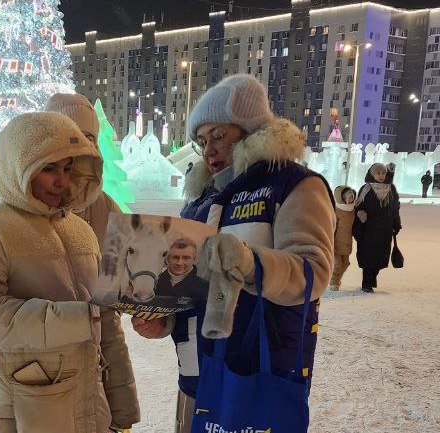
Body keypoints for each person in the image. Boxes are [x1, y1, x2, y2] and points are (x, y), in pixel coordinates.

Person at [132, 74, 335, 432]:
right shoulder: (201, 200)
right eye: (201, 141)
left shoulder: (295, 184)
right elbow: (190, 286)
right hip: (196, 374)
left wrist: (249, 263)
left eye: (218, 136)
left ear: (250, 130)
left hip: (253, 373)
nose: (209, 150)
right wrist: (163, 321)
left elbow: (313, 272)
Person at [0, 112, 128, 433]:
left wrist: (122, 404)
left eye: (68, 168)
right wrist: (75, 319)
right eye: (48, 168)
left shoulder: (81, 230)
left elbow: (104, 321)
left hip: (86, 404)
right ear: (17, 165)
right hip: (17, 408)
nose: (62, 181)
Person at [44, 92, 140, 432]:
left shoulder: (107, 210)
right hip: (38, 376)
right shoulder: (15, 207)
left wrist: (122, 408)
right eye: (65, 137)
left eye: (86, 138)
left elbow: (112, 303)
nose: (76, 151)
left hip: (95, 364)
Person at [353, 163, 402, 293]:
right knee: (368, 257)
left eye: (383, 173)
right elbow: (358, 206)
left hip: (385, 229)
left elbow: (395, 208)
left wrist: (396, 224)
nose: (381, 175)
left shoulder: (391, 189)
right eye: (378, 173)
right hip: (369, 229)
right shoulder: (366, 188)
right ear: (372, 174)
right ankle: (367, 284)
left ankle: (372, 278)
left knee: (380, 257)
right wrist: (361, 215)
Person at [329, 186, 356, 291]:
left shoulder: (352, 210)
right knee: (337, 264)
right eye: (348, 197)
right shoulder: (337, 211)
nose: (351, 199)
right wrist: (330, 241)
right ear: (341, 198)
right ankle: (333, 282)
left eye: (352, 196)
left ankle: (336, 279)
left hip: (347, 242)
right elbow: (331, 227)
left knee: (345, 263)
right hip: (336, 243)